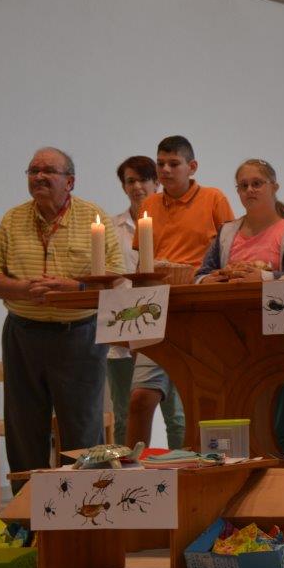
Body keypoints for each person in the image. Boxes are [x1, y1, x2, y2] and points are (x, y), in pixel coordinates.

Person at [0, 147, 124, 491]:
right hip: (23, 334)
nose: (39, 177)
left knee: (81, 427)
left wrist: (72, 287)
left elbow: (117, 279)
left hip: (78, 335)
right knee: (24, 426)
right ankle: (28, 515)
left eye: (49, 171)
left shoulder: (96, 219)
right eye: (33, 171)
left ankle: (83, 512)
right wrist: (21, 289)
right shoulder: (12, 219)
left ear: (70, 181)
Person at [196, 158, 284, 459]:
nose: (250, 190)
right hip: (231, 338)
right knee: (234, 415)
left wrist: (263, 277)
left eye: (257, 183)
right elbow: (200, 274)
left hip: (281, 339)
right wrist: (212, 280)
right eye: (243, 185)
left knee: (281, 423)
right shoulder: (226, 233)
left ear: (274, 187)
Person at [129, 135, 234, 449]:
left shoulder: (213, 198)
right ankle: (134, 471)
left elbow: (228, 252)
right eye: (160, 164)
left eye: (173, 164)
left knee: (206, 399)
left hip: (201, 307)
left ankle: (211, 467)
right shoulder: (148, 205)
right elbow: (143, 260)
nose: (165, 170)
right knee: (140, 398)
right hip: (157, 307)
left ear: (192, 166)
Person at [107, 155, 185, 447]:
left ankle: (183, 478)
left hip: (165, 328)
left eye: (143, 179)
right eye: (130, 181)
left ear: (156, 182)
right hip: (124, 332)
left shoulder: (174, 223)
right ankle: (126, 477)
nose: (137, 186)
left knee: (176, 416)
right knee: (125, 413)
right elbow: (111, 277)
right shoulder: (113, 229)